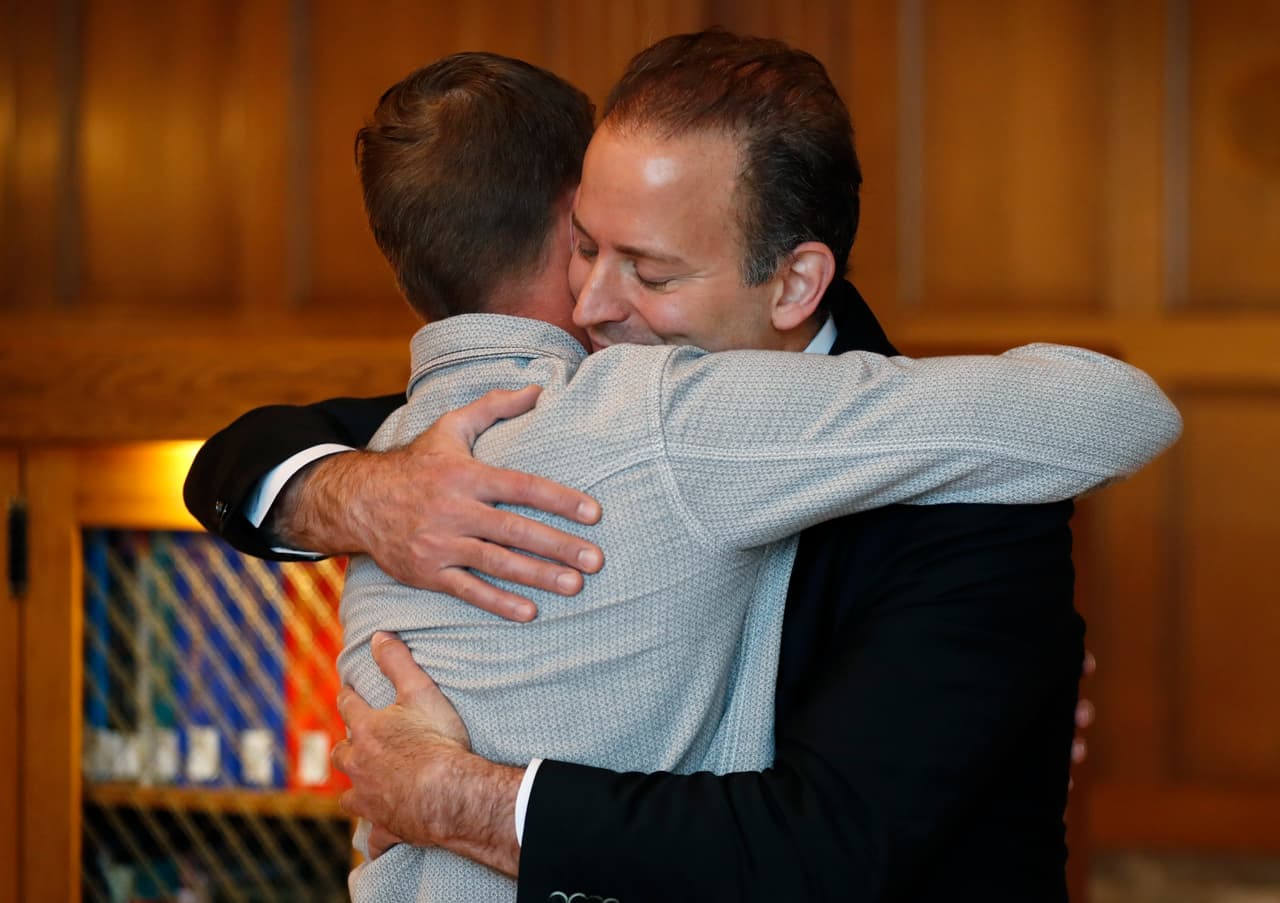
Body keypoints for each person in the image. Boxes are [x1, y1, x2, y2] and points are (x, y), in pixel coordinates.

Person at [185, 32, 1180, 902]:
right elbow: (240, 459)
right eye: (584, 250)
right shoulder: (564, 400)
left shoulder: (969, 500)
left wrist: (463, 800)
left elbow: (819, 857)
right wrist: (358, 493)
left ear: (792, 282)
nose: (587, 305)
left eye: (646, 271)